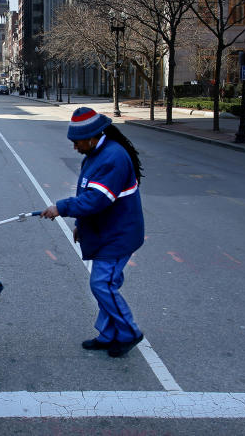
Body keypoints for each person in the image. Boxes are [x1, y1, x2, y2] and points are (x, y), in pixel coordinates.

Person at [41, 107, 145, 358]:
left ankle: (129, 332)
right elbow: (88, 197)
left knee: (102, 284)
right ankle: (109, 335)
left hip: (119, 234)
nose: (74, 148)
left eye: (76, 143)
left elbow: (97, 200)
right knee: (106, 284)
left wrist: (60, 208)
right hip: (106, 230)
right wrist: (81, 225)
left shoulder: (113, 157)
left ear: (91, 137)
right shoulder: (95, 154)